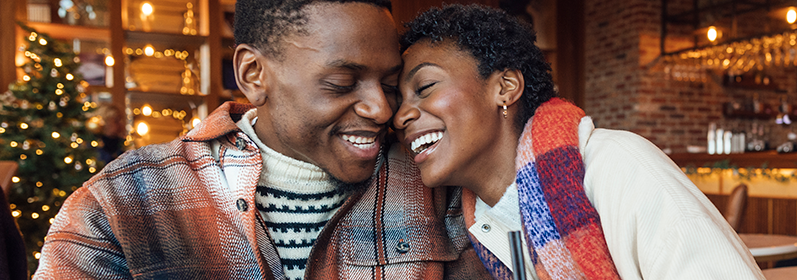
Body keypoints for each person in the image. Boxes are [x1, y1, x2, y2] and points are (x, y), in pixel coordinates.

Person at [35, 1, 488, 279]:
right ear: (253, 74)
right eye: (341, 83)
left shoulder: (437, 188)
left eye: (389, 84)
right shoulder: (121, 202)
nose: (381, 109)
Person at [393, 5, 765, 279]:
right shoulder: (482, 223)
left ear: (505, 88)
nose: (401, 116)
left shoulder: (617, 165)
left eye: (424, 87)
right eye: (400, 100)